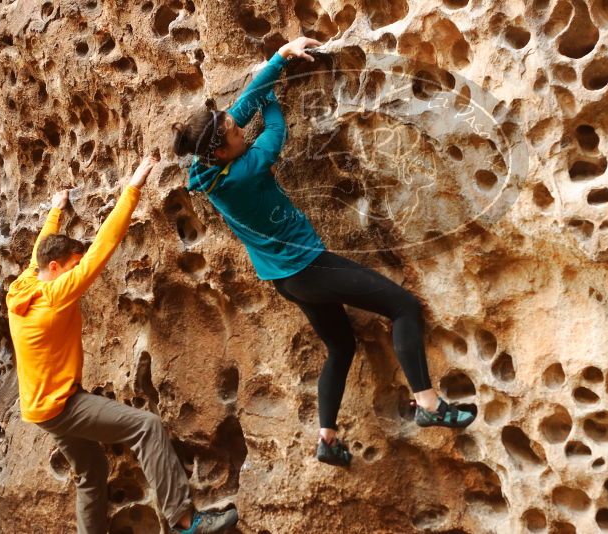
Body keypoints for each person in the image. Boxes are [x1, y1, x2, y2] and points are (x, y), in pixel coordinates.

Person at [172, 37, 475, 468]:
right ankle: (427, 402)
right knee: (403, 306)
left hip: (284, 279)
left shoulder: (205, 164)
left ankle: (327, 439)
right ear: (224, 149)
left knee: (341, 346)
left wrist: (279, 58)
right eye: (237, 132)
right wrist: (273, 96)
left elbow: (240, 108)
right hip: (309, 267)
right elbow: (275, 130)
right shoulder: (245, 171)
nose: (241, 127)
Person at [6, 155, 237, 533]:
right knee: (146, 427)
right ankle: (186, 521)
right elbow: (103, 246)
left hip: (38, 406)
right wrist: (134, 185)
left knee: (91, 472)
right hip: (61, 406)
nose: (77, 269)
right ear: (57, 269)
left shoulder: (24, 287)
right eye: (72, 264)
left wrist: (55, 211)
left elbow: (39, 253)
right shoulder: (57, 294)